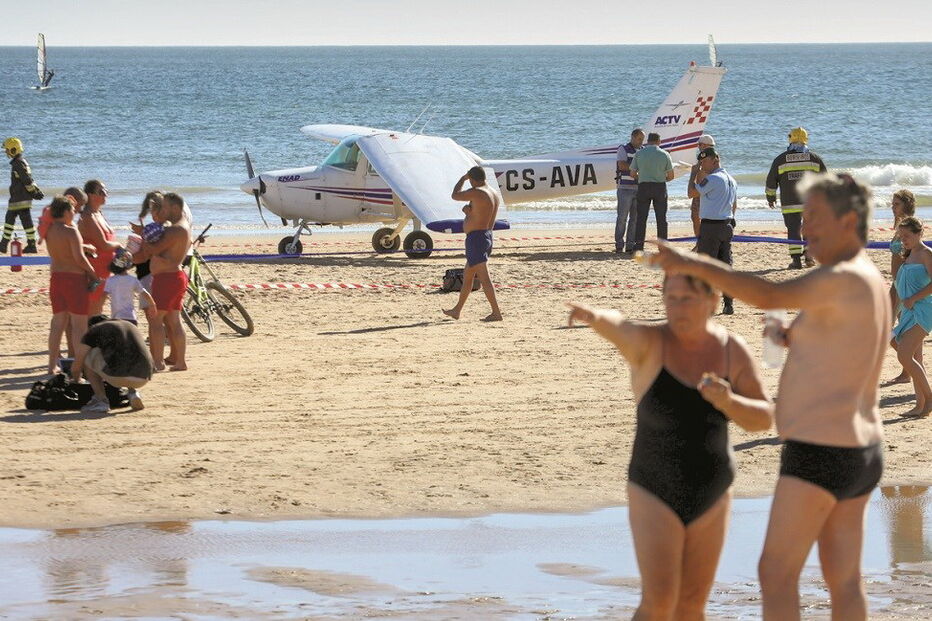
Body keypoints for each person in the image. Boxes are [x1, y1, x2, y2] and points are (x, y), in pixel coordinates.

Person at [650, 172, 887, 620]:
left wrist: (692, 262)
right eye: (804, 214)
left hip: (822, 450)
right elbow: (844, 344)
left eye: (815, 216)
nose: (804, 226)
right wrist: (788, 336)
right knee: (845, 581)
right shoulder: (865, 278)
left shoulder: (841, 276)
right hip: (860, 452)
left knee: (776, 573)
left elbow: (767, 292)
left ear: (849, 221)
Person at [567, 275, 772, 619]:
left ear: (712, 300)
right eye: (670, 298)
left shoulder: (731, 349)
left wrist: (728, 401)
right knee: (659, 602)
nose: (677, 307)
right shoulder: (650, 342)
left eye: (687, 299)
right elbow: (620, 326)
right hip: (653, 487)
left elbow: (763, 419)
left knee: (691, 606)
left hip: (713, 487)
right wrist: (595, 316)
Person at [45, 196, 99, 375]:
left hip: (57, 278)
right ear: (66, 211)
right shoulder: (71, 230)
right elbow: (79, 259)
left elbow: (67, 250)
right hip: (74, 280)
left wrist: (84, 246)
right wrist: (92, 273)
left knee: (58, 323)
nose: (75, 213)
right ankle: (80, 365)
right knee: (79, 325)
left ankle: (52, 364)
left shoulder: (50, 230)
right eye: (73, 210)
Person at [442, 166, 503, 322]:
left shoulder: (478, 192)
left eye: (470, 180)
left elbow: (455, 195)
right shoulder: (492, 192)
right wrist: (470, 213)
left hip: (477, 239)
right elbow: (485, 215)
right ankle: (457, 310)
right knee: (468, 275)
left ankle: (496, 313)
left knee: (484, 277)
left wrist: (462, 179)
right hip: (486, 236)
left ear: (472, 179)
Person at [140, 192, 191, 370]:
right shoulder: (183, 225)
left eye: (166, 207)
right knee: (174, 320)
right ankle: (180, 361)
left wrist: (143, 239)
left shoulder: (174, 229)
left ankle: (158, 361)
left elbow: (153, 249)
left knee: (156, 320)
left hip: (167, 278)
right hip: (175, 276)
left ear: (175, 208)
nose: (163, 211)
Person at [888, 216, 932, 417]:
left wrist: (914, 298)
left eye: (907, 235)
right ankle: (920, 406)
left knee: (904, 354)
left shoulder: (926, 254)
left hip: (923, 310)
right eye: (901, 235)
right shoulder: (908, 254)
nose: (903, 239)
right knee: (910, 354)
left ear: (919, 234)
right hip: (908, 311)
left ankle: (929, 398)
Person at [765, 127, 826, 269]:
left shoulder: (780, 160)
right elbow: (825, 180)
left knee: (793, 230)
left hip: (789, 203)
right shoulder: (814, 159)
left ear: (790, 139)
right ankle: (809, 257)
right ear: (806, 140)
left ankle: (796, 261)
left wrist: (770, 197)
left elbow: (771, 181)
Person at [689, 147, 738, 315]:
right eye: (700, 163)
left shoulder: (713, 179)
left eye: (704, 162)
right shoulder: (731, 179)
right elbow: (734, 205)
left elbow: (691, 193)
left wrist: (693, 174)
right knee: (726, 265)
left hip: (712, 226)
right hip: (726, 224)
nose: (702, 166)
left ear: (715, 159)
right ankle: (728, 303)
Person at [71, 314, 153, 414]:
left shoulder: (95, 329)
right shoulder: (130, 325)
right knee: (125, 354)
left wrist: (76, 379)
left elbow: (77, 363)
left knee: (87, 355)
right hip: (144, 376)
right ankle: (132, 393)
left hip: (118, 376)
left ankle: (101, 401)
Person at [884, 190, 920, 386]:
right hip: (897, 283)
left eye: (896, 204)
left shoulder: (909, 227)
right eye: (892, 203)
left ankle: (911, 367)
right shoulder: (900, 226)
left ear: (906, 205)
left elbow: (915, 254)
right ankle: (908, 370)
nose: (892, 206)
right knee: (903, 329)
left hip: (904, 284)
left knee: (887, 329)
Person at [79, 179, 122, 316]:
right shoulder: (88, 216)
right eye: (102, 192)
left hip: (104, 269)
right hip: (94, 270)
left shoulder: (98, 214)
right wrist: (119, 245)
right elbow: (103, 244)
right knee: (92, 309)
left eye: (106, 191)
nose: (105, 195)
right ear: (91, 195)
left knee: (98, 307)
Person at [629, 132, 674, 251]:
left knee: (641, 219)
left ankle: (638, 246)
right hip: (659, 187)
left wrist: (642, 177)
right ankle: (663, 247)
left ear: (647, 141)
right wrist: (661, 177)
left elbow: (632, 173)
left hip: (644, 186)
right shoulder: (665, 154)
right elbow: (671, 176)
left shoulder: (639, 153)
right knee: (661, 219)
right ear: (659, 141)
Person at [1, 137, 43, 254]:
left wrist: (34, 192)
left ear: (13, 150)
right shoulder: (22, 162)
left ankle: (5, 244)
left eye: (7, 150)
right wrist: (36, 191)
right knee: (21, 221)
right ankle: (28, 244)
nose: (6, 152)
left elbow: (26, 180)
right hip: (21, 198)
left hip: (18, 198)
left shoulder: (17, 163)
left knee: (12, 220)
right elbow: (30, 179)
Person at [104, 249, 156, 327]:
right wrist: (152, 305)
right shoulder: (133, 280)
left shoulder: (110, 280)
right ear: (129, 266)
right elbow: (144, 293)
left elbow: (103, 296)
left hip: (117, 318)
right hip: (131, 318)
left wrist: (100, 306)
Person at [615, 128, 644, 254]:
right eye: (639, 139)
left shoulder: (643, 151)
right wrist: (636, 171)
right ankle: (619, 244)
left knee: (635, 219)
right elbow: (622, 165)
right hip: (625, 188)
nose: (641, 142)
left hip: (638, 188)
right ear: (632, 137)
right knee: (622, 218)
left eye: (642, 140)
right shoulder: (623, 149)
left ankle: (630, 245)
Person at [687, 134, 717, 246]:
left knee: (697, 217)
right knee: (698, 217)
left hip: (702, 191)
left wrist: (694, 172)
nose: (698, 146)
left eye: (699, 144)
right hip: (702, 190)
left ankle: (700, 243)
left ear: (704, 145)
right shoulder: (711, 156)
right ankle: (700, 242)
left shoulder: (707, 156)